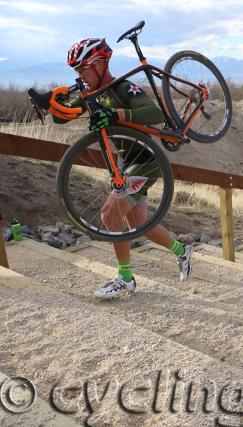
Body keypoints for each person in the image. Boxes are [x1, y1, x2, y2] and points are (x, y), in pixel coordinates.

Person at [55, 38, 193, 299]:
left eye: (82, 69)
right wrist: (50, 103)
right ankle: (181, 250)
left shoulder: (123, 88)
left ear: (99, 65)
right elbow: (65, 114)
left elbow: (153, 113)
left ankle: (125, 278)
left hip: (146, 161)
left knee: (109, 213)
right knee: (142, 225)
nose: (80, 76)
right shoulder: (91, 95)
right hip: (125, 163)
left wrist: (117, 114)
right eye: (76, 72)